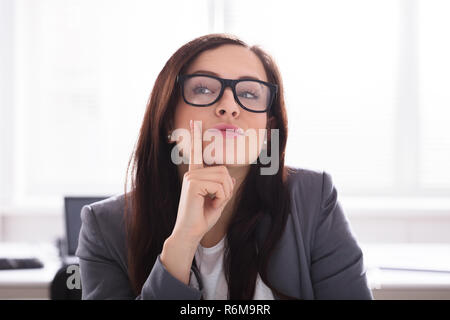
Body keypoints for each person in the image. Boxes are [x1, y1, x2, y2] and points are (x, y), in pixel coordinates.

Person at [76, 33, 373, 300]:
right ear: (168, 118)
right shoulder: (105, 227)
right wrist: (181, 243)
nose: (229, 106)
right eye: (204, 89)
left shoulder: (313, 198)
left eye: (248, 94)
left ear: (267, 128)